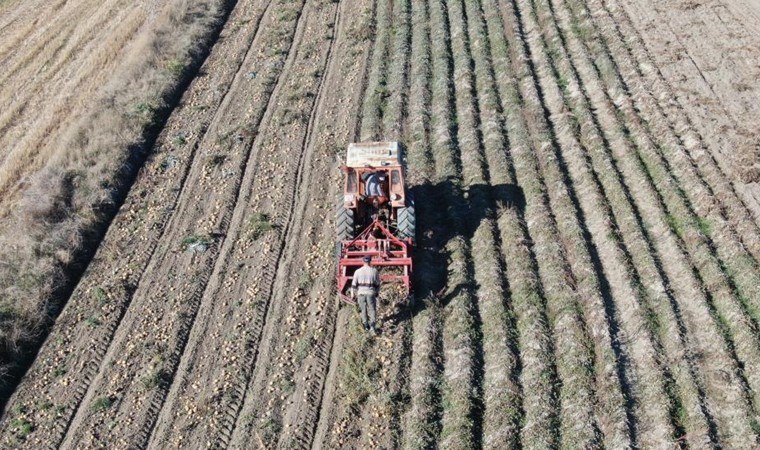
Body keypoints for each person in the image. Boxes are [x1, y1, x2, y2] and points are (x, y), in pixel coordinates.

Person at [351, 255, 380, 334]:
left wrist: (352, 294)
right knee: (372, 309)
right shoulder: (374, 271)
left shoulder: (357, 271)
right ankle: (372, 326)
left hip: (361, 294)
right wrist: (377, 292)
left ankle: (365, 326)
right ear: (370, 261)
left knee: (363, 310)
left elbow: (353, 285)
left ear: (363, 261)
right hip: (371, 293)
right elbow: (377, 284)